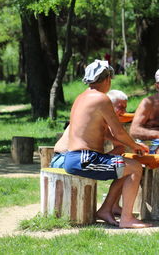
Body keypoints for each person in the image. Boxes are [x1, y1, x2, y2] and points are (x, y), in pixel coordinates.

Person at [64, 59, 150, 228]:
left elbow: (104, 131)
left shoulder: (81, 97)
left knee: (126, 167)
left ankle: (106, 210)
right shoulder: (101, 99)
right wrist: (135, 145)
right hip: (85, 160)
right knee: (135, 167)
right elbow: (118, 131)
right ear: (107, 79)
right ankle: (126, 219)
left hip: (76, 157)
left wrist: (129, 144)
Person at [50, 89, 129, 216]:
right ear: (108, 105)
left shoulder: (98, 118)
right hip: (67, 161)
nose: (124, 112)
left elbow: (120, 145)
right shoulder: (93, 118)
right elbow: (120, 143)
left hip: (67, 159)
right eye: (120, 107)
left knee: (122, 165)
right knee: (126, 167)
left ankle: (113, 206)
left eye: (125, 108)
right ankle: (108, 208)